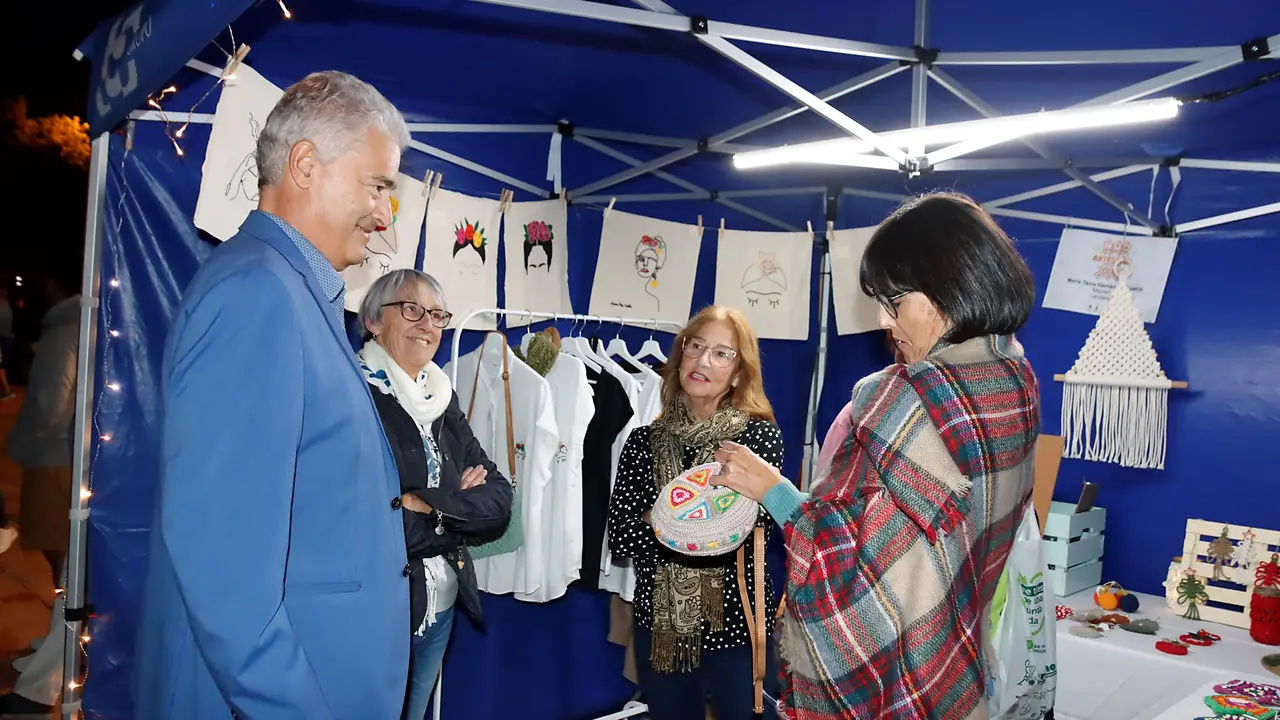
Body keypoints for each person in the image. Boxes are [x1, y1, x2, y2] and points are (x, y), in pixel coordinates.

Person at [134, 71, 414, 720]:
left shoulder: (289, 292)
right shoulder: (258, 297)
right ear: (306, 165)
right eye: (377, 187)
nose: (384, 215)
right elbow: (227, 578)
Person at [715, 192, 1040, 720]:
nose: (886, 323)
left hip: (896, 681)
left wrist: (774, 491)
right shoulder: (1014, 381)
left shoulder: (905, 402)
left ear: (946, 289)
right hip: (956, 670)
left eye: (895, 302)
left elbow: (854, 578)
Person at [607, 305, 784, 720]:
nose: (703, 360)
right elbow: (621, 535)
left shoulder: (756, 438)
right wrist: (699, 526)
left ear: (739, 373)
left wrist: (661, 518)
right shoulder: (641, 441)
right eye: (696, 346)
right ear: (680, 354)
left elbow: (745, 530)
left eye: (722, 353)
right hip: (661, 629)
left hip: (737, 627)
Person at [355, 269, 514, 720]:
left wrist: (425, 503)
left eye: (438, 315)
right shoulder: (355, 395)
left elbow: (499, 501)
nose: (428, 324)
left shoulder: (442, 399)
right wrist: (453, 509)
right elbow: (369, 524)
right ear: (372, 320)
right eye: (411, 309)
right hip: (378, 608)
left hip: (441, 603)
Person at [0, 269, 82, 717]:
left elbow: (51, 402)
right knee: (68, 570)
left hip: (55, 458)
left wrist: (22, 444)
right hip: (73, 458)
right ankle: (54, 649)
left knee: (70, 575)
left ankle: (43, 682)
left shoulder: (63, 327)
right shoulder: (88, 322)